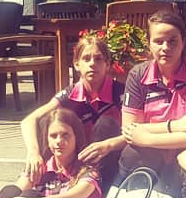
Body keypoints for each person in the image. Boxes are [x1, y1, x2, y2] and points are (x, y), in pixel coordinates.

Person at [117, 11, 186, 198]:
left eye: (172, 41)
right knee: (131, 154)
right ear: (149, 43)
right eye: (158, 41)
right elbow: (129, 130)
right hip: (152, 154)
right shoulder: (138, 75)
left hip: (185, 151)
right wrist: (175, 126)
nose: (166, 48)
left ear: (183, 42)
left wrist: (147, 138)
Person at [19, 34, 125, 188]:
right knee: (45, 123)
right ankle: (28, 184)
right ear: (76, 64)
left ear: (107, 64)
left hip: (111, 159)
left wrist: (109, 145)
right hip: (78, 157)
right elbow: (29, 121)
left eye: (98, 59)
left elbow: (135, 133)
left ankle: (97, 188)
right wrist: (33, 152)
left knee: (106, 124)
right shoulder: (70, 95)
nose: (92, 64)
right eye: (86, 59)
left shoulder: (121, 92)